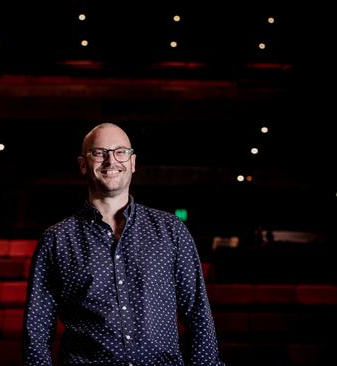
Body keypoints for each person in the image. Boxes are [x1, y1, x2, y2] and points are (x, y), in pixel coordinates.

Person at [23, 123, 224, 365]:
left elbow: (198, 314)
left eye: (121, 151)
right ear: (83, 165)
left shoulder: (171, 230)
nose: (111, 161)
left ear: (133, 162)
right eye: (99, 152)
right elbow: (37, 328)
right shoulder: (56, 240)